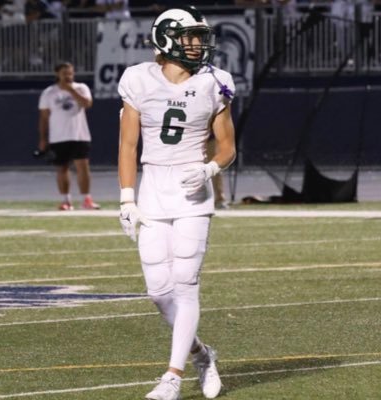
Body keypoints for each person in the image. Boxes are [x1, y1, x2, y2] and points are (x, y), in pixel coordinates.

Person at [117, 6, 236, 400]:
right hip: (152, 189)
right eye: (190, 36)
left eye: (200, 36)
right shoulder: (138, 78)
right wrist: (126, 198)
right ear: (166, 38)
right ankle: (201, 354)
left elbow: (228, 147)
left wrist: (209, 169)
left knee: (185, 284)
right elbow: (128, 145)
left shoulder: (215, 81)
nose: (198, 43)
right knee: (158, 291)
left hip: (192, 192)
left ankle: (172, 376)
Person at [38, 61, 100, 210]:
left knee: (83, 166)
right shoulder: (49, 93)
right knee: (62, 168)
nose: (68, 76)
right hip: (58, 136)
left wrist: (71, 91)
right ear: (57, 74)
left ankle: (86, 199)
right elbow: (44, 117)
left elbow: (87, 104)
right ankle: (66, 200)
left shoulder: (81, 88)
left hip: (79, 134)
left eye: (70, 73)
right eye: (65, 73)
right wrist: (43, 139)